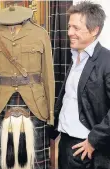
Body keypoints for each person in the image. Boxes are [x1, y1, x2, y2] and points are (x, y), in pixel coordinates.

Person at [0, 6, 55, 169]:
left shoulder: (40, 33)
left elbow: (49, 75)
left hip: (35, 104)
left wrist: (50, 112)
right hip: (1, 103)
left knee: (35, 161)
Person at [54, 1, 110, 169]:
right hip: (65, 143)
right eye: (69, 26)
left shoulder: (106, 61)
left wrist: (93, 141)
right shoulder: (76, 57)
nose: (70, 32)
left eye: (76, 28)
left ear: (94, 30)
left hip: (86, 149)